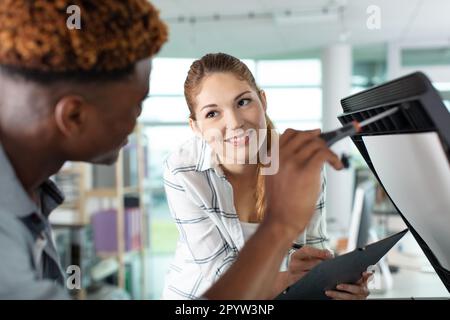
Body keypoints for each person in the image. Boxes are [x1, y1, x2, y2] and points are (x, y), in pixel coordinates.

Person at [0, 0, 346, 300]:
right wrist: (280, 225)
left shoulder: (30, 199)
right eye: (136, 105)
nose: (139, 121)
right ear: (74, 117)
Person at [162, 53, 371, 300]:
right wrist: (293, 278)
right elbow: (220, 274)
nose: (235, 122)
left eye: (243, 102)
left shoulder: (299, 161)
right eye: (212, 114)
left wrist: (333, 281)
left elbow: (314, 245)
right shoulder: (183, 169)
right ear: (195, 127)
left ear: (262, 100)